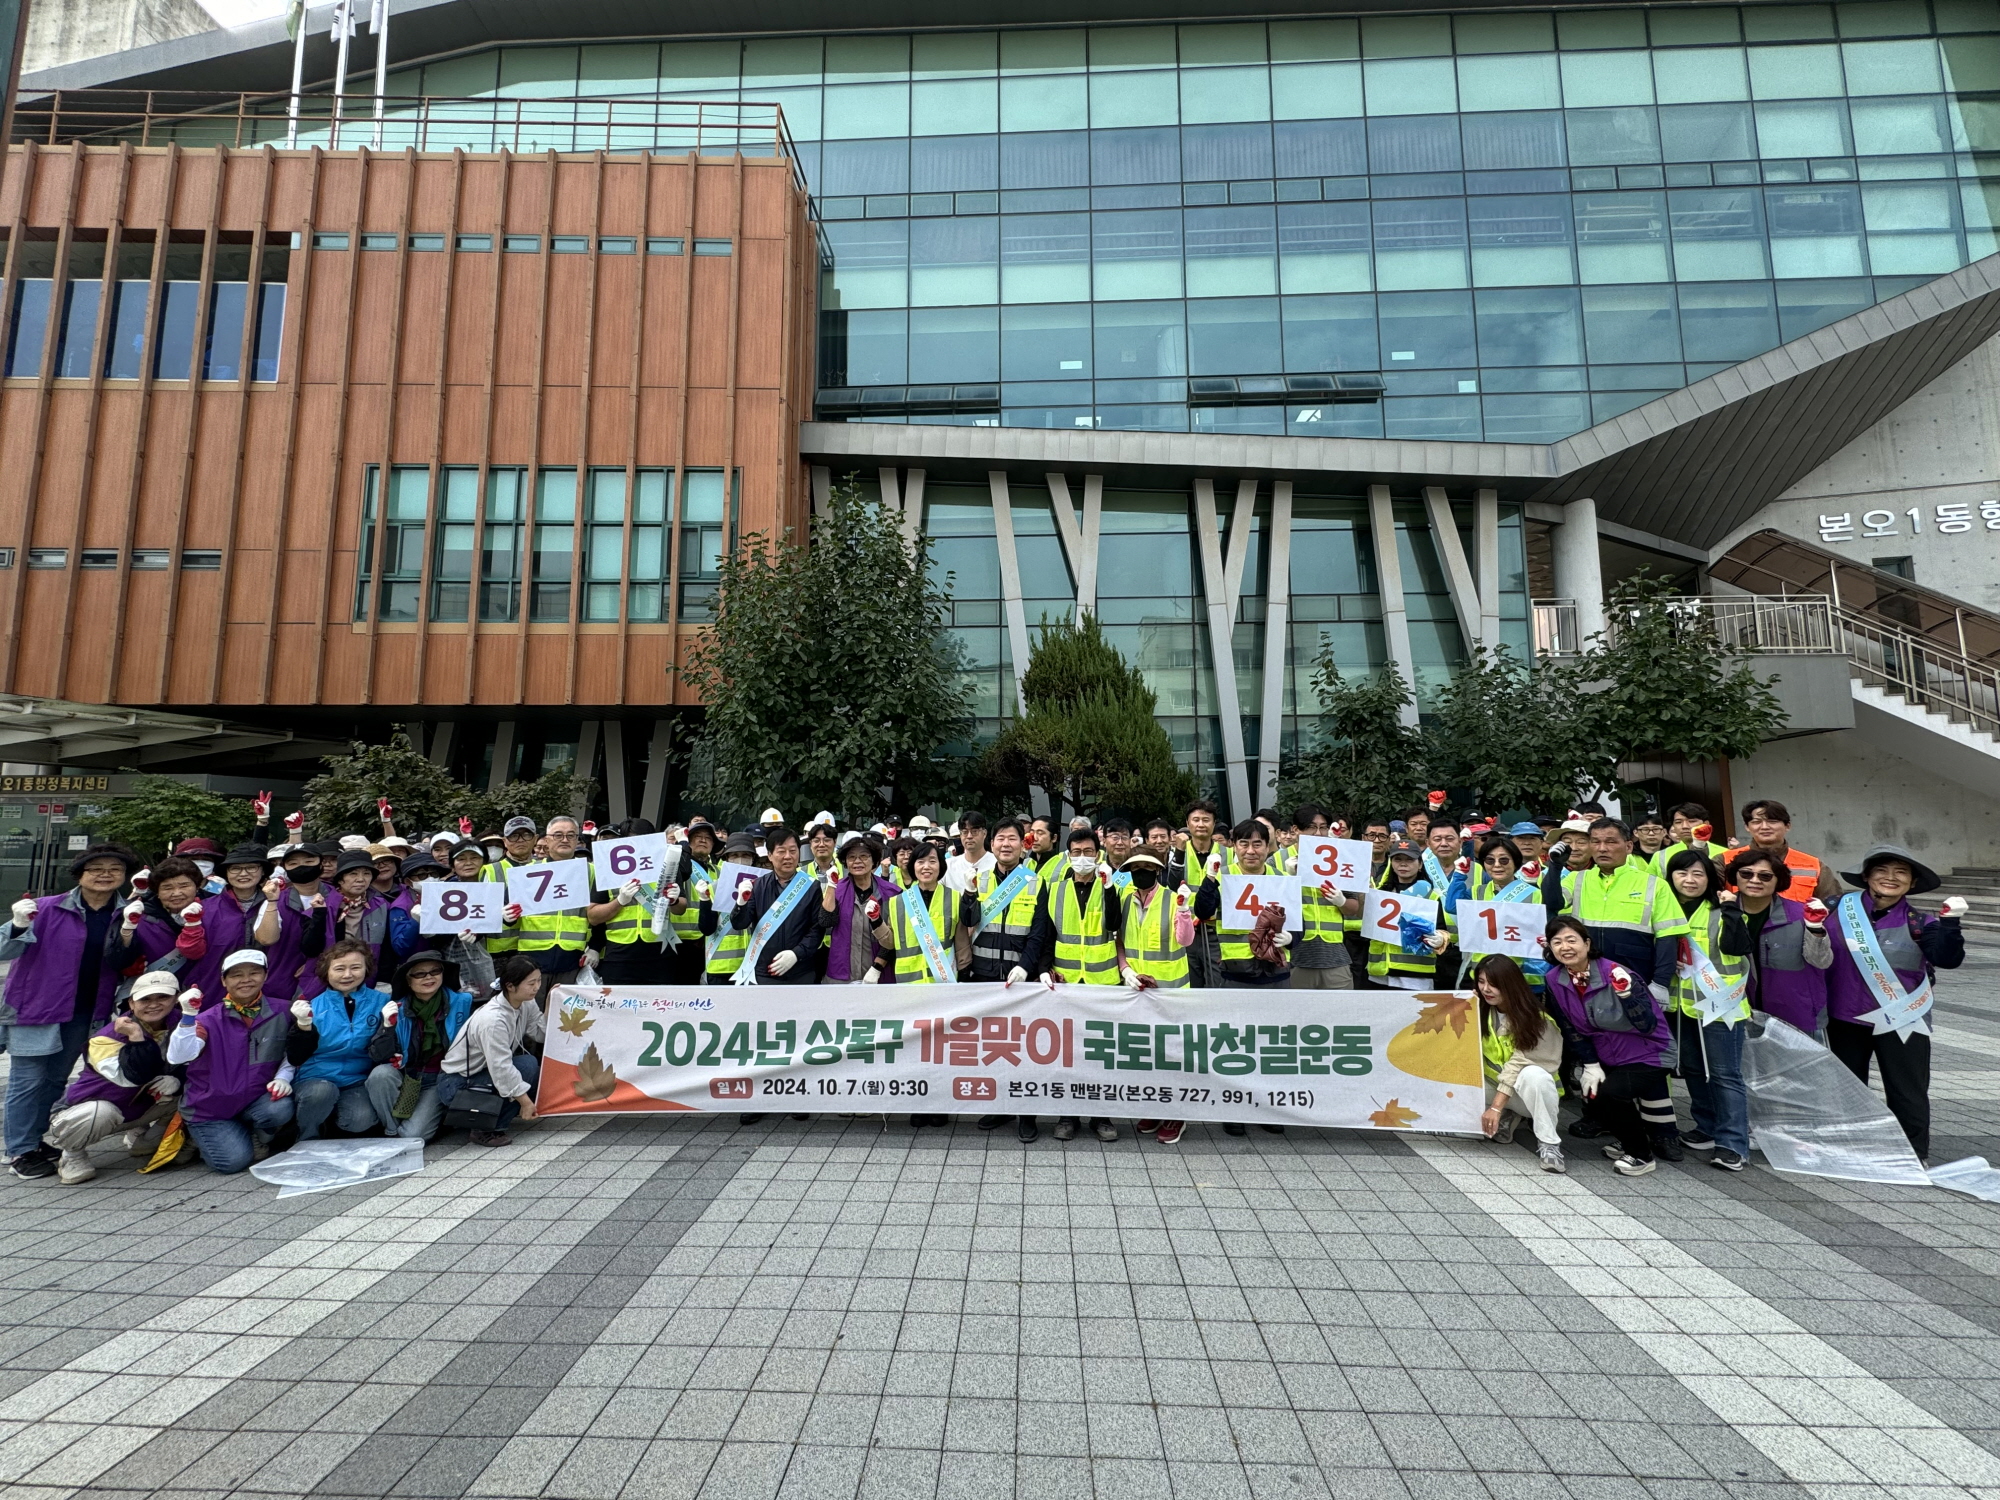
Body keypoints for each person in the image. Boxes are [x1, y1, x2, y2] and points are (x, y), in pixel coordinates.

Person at [1, 842, 142, 1179]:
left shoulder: (127, 913)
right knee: (27, 1080)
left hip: (87, 1010)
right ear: (80, 874)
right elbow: (4, 948)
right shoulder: (46, 908)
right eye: (96, 869)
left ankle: (35, 1140)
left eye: (114, 869)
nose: (105, 875)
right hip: (37, 1009)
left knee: (54, 1079)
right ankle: (19, 1150)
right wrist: (19, 924)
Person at [1825, 844, 1965, 1163]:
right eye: (1882, 870)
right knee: (1846, 1087)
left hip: (1901, 1018)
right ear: (1866, 876)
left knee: (1907, 1091)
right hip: (1843, 1016)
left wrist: (1951, 925)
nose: (1891, 878)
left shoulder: (1921, 922)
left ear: (1912, 883)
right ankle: (1848, 1145)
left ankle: (1912, 1155)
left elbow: (1947, 958)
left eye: (1901, 872)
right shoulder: (1833, 910)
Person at [1542, 916, 1676, 1176]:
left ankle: (1641, 1155)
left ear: (1587, 943)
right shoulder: (1554, 979)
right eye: (1557, 942)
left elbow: (1648, 1025)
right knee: (1593, 1094)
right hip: (1605, 1055)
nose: (1565, 947)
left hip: (1648, 1052)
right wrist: (1590, 1064)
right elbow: (1570, 1028)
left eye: (1572, 940)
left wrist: (1627, 995)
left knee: (1610, 1093)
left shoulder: (1615, 972)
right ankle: (1629, 1138)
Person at [1022, 827, 1125, 1144]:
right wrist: (1043, 968)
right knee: (1067, 1053)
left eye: (1089, 852)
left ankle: (1101, 1116)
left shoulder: (1110, 886)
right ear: (1068, 855)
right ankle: (1068, 1115)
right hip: (1064, 980)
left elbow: (1113, 925)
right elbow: (1046, 933)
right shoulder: (1055, 889)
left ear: (1099, 855)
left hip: (1101, 982)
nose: (1083, 858)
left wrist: (1108, 889)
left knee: (1098, 1052)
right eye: (1077, 852)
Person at [168, 950, 310, 1174]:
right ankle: (198, 1136)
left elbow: (294, 1052)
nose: (246, 979)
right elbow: (179, 1056)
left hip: (255, 1100)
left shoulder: (284, 1011)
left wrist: (283, 1077)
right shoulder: (206, 1019)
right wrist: (187, 1017)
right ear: (223, 981)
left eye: (254, 972)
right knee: (231, 1163)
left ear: (265, 976)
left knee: (281, 1107)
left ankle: (250, 1132)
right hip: (210, 1108)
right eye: (236, 975)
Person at [43, 969, 186, 1183]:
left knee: (192, 1092)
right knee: (99, 1112)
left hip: (140, 1107)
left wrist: (179, 1080)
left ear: (176, 998)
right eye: (145, 999)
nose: (154, 1004)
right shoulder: (105, 1039)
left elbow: (199, 1063)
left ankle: (144, 1138)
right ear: (131, 1004)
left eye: (163, 997)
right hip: (91, 1109)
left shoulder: (182, 1023)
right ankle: (73, 1154)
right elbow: (135, 1077)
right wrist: (137, 1037)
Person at [1661, 849, 1753, 1172]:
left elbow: (1738, 947)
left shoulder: (1723, 909)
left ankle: (1733, 1144)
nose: (1690, 880)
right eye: (1682, 873)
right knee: (1694, 1069)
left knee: (1726, 1074)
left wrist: (1730, 910)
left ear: (1709, 879)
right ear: (1671, 877)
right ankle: (1706, 1126)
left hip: (1721, 1006)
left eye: (1698, 874)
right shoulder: (1664, 908)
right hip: (1681, 1004)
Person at [965, 818, 1043, 1144]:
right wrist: (969, 896)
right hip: (984, 976)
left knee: (1023, 1049)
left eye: (1012, 838)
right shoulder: (979, 880)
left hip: (1019, 980)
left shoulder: (1035, 881)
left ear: (1022, 844)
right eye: (1000, 839)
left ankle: (1027, 1114)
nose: (1005, 844)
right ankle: (1000, 1105)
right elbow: (967, 923)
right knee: (994, 1048)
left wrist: (1026, 966)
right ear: (992, 844)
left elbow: (1040, 934)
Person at [292, 940, 396, 1140]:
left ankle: (330, 1123)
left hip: (356, 1079)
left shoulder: (381, 1002)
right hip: (316, 1078)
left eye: (355, 967)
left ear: (366, 969)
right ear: (326, 972)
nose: (347, 975)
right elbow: (296, 1055)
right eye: (339, 969)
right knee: (322, 1092)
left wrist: (387, 1025)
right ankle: (307, 1135)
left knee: (361, 1120)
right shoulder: (312, 1005)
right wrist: (302, 1026)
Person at [365, 954, 477, 1141]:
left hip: (441, 1078)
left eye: (435, 971)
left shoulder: (463, 1002)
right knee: (380, 1075)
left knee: (414, 1134)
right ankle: (392, 1132)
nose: (429, 977)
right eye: (420, 974)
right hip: (408, 1077)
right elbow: (378, 1055)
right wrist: (387, 1027)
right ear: (408, 981)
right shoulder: (396, 1008)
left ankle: (429, 1120)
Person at [439, 954, 546, 1147]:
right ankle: (483, 1129)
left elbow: (540, 1033)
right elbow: (501, 1068)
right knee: (516, 1073)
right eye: (531, 983)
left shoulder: (526, 1003)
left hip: (481, 1073)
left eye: (538, 981)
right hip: (455, 1082)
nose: (537, 987)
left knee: (528, 1064)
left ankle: (491, 1120)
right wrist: (525, 1102)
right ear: (510, 986)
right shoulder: (493, 1020)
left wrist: (554, 1003)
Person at [1725, 846, 1832, 1037]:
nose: (1755, 880)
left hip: (1796, 1015)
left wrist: (1815, 928)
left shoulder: (1802, 914)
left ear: (1778, 881)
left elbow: (1821, 961)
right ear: (1735, 876)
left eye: (1765, 876)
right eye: (1746, 874)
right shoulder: (1722, 914)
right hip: (1736, 1013)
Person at [1474, 954, 1565, 1174]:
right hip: (1494, 1087)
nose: (1486, 989)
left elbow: (1517, 1064)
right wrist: (1461, 1004)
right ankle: (1507, 1116)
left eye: (1493, 983)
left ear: (1511, 984)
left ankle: (1550, 1145)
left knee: (1534, 1075)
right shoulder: (1480, 1009)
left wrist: (1495, 1107)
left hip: (1527, 1096)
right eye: (1481, 981)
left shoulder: (1537, 1019)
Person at [729, 826, 822, 984]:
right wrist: (741, 903)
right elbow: (740, 924)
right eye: (781, 851)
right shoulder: (757, 886)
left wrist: (796, 954)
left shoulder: (811, 886)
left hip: (801, 971)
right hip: (765, 972)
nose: (788, 856)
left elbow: (817, 930)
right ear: (770, 855)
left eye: (793, 851)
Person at [510, 814, 591, 989]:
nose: (565, 839)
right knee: (531, 1013)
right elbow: (510, 914)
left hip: (573, 957)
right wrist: (506, 915)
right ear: (546, 840)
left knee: (565, 1015)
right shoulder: (528, 872)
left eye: (571, 835)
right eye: (558, 835)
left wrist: (595, 947)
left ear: (577, 839)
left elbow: (598, 912)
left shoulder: (590, 871)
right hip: (532, 957)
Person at [1366, 839, 1448, 989]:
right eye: (1398, 859)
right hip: (1379, 975)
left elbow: (1443, 931)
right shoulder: (1381, 894)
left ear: (1420, 864)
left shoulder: (1431, 896)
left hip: (1416, 976)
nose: (1403, 864)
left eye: (1409, 860)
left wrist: (1440, 939)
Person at [256, 844, 331, 1001]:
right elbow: (266, 939)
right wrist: (272, 902)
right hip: (282, 985)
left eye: (309, 861)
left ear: (321, 863)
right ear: (285, 868)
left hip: (329, 984)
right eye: (293, 863)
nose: (301, 867)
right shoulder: (276, 899)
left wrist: (314, 964)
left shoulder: (338, 897)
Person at [821, 834, 897, 984]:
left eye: (864, 856)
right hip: (841, 974)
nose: (857, 861)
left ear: (874, 861)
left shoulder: (892, 893)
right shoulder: (838, 889)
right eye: (851, 857)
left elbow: (895, 937)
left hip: (879, 975)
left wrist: (877, 967)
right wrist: (831, 886)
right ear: (845, 862)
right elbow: (826, 921)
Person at [1738, 798, 1841, 903]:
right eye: (1757, 822)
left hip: (1798, 919)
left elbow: (1833, 905)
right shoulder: (1726, 860)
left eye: (1772, 821)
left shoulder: (1814, 865)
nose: (1764, 827)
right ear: (1747, 827)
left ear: (1787, 826)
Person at [324, 850, 392, 973]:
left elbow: (387, 946)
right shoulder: (324, 905)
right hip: (330, 974)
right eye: (353, 874)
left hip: (368, 973)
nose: (360, 879)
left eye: (366, 873)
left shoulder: (381, 905)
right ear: (340, 879)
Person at [945, 812, 994, 894]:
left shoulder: (996, 863)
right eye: (965, 832)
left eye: (974, 831)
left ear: (984, 833)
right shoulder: (948, 866)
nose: (969, 836)